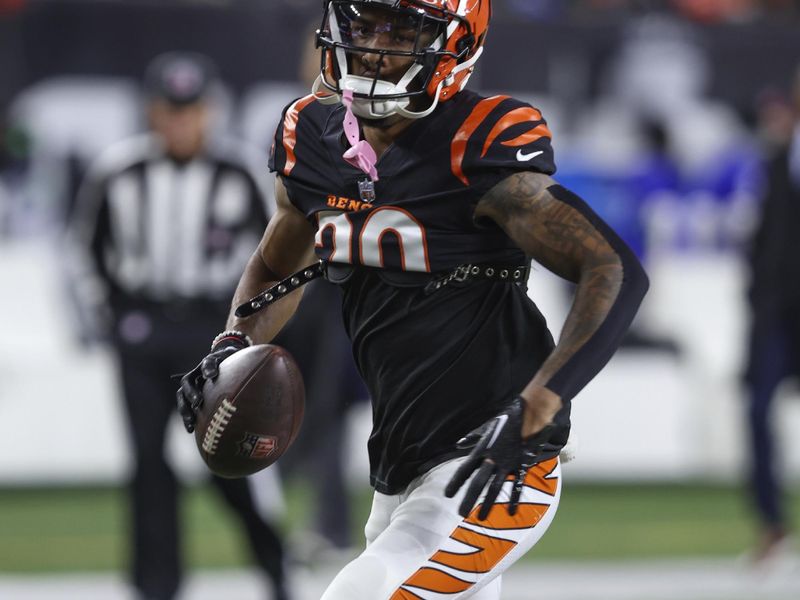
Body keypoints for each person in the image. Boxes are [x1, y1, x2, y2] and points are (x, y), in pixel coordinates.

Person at [177, 2, 648, 598]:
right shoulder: (313, 137)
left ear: (458, 46)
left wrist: (538, 406)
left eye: (402, 31)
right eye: (365, 23)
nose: (374, 46)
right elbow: (276, 261)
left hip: (493, 464)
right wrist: (233, 342)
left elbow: (611, 268)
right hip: (400, 463)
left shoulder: (477, 143)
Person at [69, 52, 290, 600]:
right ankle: (157, 587)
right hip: (142, 328)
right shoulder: (119, 171)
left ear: (209, 111)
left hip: (210, 334)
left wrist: (245, 334)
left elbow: (272, 260)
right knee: (147, 465)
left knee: (234, 458)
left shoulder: (237, 172)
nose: (180, 123)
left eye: (190, 111)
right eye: (170, 111)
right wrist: (110, 321)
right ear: (152, 113)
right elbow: (84, 254)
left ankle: (276, 567)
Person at [743, 70, 800, 563]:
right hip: (775, 312)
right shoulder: (777, 158)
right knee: (758, 410)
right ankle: (771, 524)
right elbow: (763, 239)